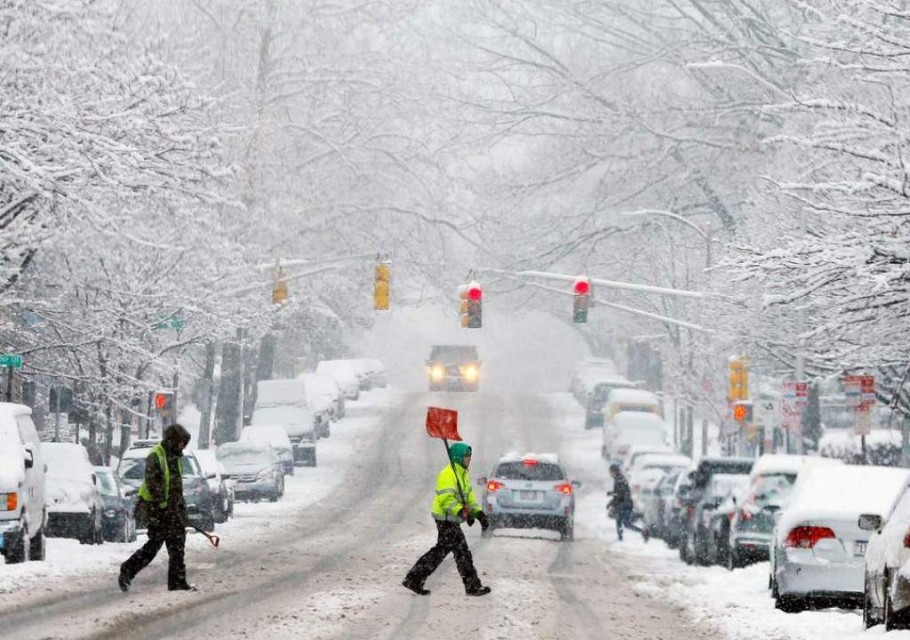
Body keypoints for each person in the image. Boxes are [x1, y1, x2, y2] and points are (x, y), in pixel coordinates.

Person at [402, 441, 491, 597]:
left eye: (470, 456)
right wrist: (460, 512)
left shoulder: (462, 474)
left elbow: (469, 497)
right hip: (445, 518)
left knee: (443, 551)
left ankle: (414, 579)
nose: (469, 459)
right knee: (461, 551)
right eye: (466, 456)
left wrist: (478, 514)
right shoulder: (448, 474)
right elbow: (446, 499)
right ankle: (472, 586)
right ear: (457, 457)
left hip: (452, 519)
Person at [119, 423, 196, 592]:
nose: (183, 446)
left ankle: (177, 581)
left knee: (178, 546)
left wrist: (181, 510)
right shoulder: (156, 455)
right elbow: (153, 484)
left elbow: (176, 487)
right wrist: (165, 506)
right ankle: (127, 569)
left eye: (184, 443)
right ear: (172, 440)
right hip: (157, 510)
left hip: (173, 510)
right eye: (181, 442)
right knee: (153, 546)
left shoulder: (176, 457)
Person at [607, 464, 648, 543]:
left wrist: (611, 500)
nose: (610, 474)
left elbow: (619, 494)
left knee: (625, 523)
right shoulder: (620, 479)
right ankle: (620, 538)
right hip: (625, 504)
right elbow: (620, 493)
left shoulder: (619, 480)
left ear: (614, 471)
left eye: (611, 472)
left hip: (624, 505)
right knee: (622, 522)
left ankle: (642, 532)